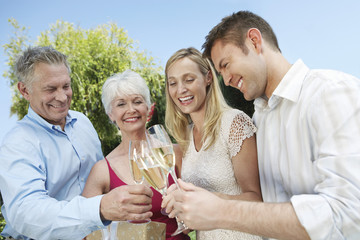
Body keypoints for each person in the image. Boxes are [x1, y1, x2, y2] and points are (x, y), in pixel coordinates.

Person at [163, 10, 360, 240]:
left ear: (254, 41)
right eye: (220, 72)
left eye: (226, 64)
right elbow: (267, 205)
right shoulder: (260, 119)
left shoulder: (331, 91)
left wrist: (220, 209)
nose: (225, 80)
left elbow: (349, 213)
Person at [0, 46, 153, 240]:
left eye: (66, 86)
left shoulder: (82, 123)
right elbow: (27, 213)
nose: (63, 97)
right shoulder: (18, 142)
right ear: (25, 90)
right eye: (50, 89)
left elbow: (103, 180)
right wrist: (100, 208)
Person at [162, 47, 262, 240]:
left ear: (208, 77)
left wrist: (201, 199)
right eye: (172, 83)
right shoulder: (186, 137)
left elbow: (256, 199)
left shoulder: (234, 123)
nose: (180, 89)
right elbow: (191, 220)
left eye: (189, 79)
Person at [81, 69, 190, 240]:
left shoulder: (174, 153)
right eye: (121, 104)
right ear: (111, 114)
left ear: (149, 108)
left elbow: (198, 211)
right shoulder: (102, 170)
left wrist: (187, 211)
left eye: (137, 101)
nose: (131, 110)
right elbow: (84, 228)